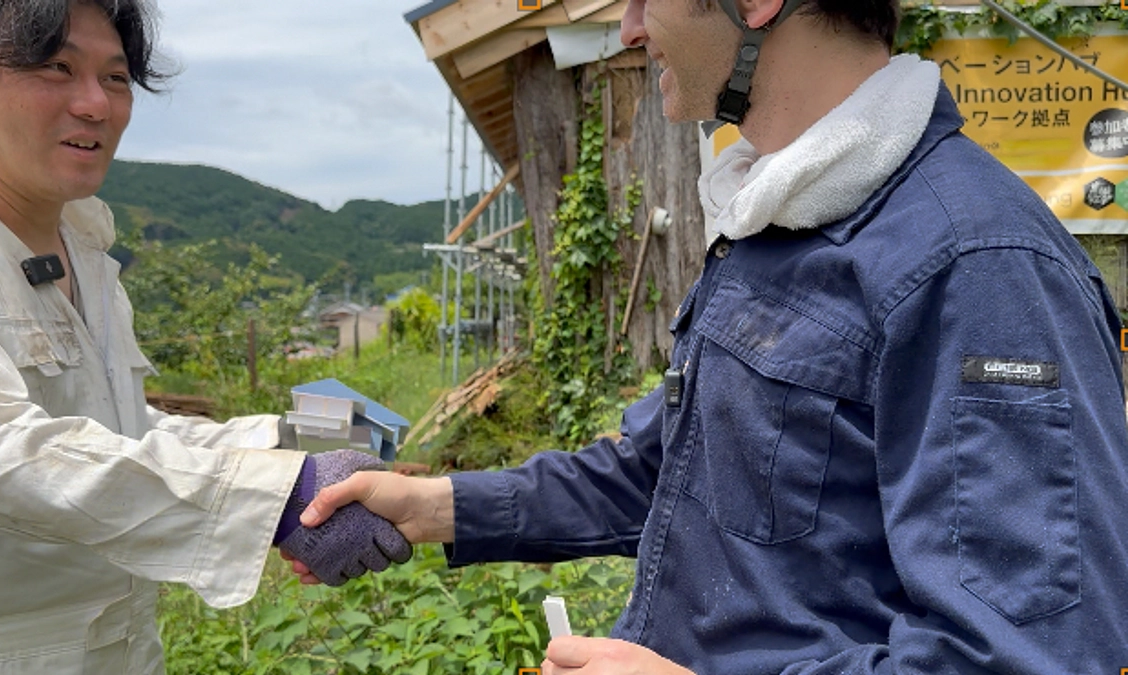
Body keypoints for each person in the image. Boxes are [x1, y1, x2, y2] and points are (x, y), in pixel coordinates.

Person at [294, 0, 1128, 672]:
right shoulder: (776, 217)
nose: (626, 28)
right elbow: (667, 470)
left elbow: (1029, 655)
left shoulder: (981, 266)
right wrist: (436, 505)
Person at [0, 1, 410, 672]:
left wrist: (296, 439)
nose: (95, 105)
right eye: (56, 67)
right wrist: (277, 497)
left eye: (116, 77)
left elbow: (119, 428)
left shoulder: (84, 247)